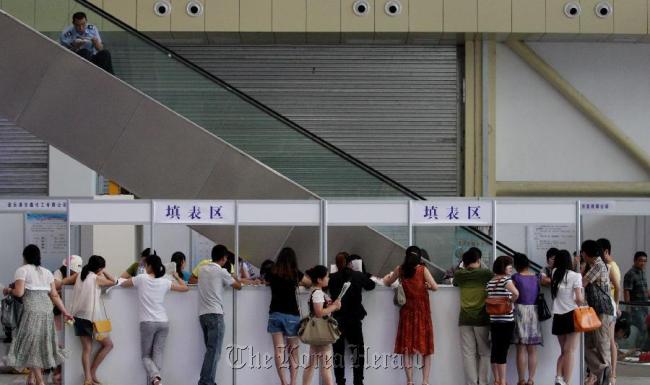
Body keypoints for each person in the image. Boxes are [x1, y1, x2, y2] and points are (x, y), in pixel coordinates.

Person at [3, 245, 73, 385]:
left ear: (24, 256)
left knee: (32, 344)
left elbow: (19, 293)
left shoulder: (22, 270)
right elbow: (54, 295)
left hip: (32, 311)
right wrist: (65, 312)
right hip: (47, 310)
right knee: (41, 343)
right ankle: (31, 378)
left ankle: (40, 381)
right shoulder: (47, 272)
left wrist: (6, 290)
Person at [120, 254, 189, 385]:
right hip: (164, 322)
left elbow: (123, 284)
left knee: (146, 356)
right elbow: (185, 288)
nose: (145, 267)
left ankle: (156, 377)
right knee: (158, 353)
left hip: (147, 322)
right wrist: (176, 276)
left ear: (149, 266)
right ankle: (156, 381)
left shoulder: (141, 278)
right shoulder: (165, 282)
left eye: (146, 265)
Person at [383, 246, 438, 385]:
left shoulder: (400, 269)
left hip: (407, 313)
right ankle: (425, 382)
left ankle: (409, 381)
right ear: (419, 257)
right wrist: (427, 286)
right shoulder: (422, 269)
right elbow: (435, 287)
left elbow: (387, 282)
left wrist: (386, 278)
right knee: (426, 349)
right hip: (423, 313)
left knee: (407, 349)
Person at [197, 245, 242, 385]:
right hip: (215, 315)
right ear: (224, 258)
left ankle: (208, 381)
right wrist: (233, 276)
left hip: (203, 315)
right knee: (213, 352)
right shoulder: (221, 272)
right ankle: (205, 382)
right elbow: (238, 286)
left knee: (210, 352)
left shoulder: (202, 269)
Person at [266, 247, 311, 385]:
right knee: (293, 353)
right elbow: (308, 283)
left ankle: (283, 382)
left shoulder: (272, 271)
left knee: (279, 351)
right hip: (292, 316)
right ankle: (292, 383)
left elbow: (265, 281)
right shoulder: (294, 273)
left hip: (275, 315)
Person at [329, 252, 376, 385]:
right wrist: (364, 275)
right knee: (358, 351)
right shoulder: (357, 275)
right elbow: (371, 286)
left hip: (337, 319)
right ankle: (358, 381)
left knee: (338, 352)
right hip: (354, 318)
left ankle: (340, 381)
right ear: (350, 263)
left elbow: (323, 286)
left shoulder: (332, 277)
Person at [70, 255, 117, 385]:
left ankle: (88, 378)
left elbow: (64, 282)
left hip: (79, 316)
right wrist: (104, 271)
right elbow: (114, 281)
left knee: (86, 349)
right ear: (99, 268)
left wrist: (100, 270)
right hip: (93, 318)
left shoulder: (79, 275)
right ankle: (92, 372)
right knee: (108, 345)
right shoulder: (96, 278)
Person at [453, 247, 494, 385]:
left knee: (468, 354)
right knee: (485, 353)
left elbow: (454, 282)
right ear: (478, 260)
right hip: (482, 318)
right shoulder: (485, 273)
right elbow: (495, 276)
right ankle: (483, 382)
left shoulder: (459, 275)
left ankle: (472, 382)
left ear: (464, 262)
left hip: (464, 318)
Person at [302, 265, 342, 385]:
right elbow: (319, 312)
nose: (328, 279)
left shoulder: (316, 292)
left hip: (317, 331)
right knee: (326, 366)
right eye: (327, 277)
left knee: (312, 364)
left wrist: (332, 306)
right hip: (322, 332)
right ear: (319, 279)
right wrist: (334, 307)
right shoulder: (318, 293)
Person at [581, 240, 614, 385]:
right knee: (586, 346)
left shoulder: (598, 266)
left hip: (601, 310)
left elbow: (582, 283)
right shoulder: (596, 265)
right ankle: (603, 370)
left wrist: (578, 267)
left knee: (602, 345)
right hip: (595, 311)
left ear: (585, 253)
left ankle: (606, 376)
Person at [550, 250, 584, 385]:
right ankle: (567, 382)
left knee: (564, 351)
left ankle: (559, 377)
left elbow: (565, 274)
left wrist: (576, 264)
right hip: (572, 315)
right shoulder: (576, 276)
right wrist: (584, 303)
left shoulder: (555, 273)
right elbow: (579, 299)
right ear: (570, 261)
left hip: (558, 316)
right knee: (570, 352)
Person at [486, 255, 519, 385]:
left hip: (494, 320)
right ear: (503, 267)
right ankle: (503, 381)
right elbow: (516, 293)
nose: (511, 268)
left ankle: (497, 380)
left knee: (495, 350)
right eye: (508, 265)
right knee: (502, 351)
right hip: (506, 320)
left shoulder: (490, 282)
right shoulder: (506, 280)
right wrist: (510, 301)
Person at [511, 253, 542, 385]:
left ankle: (521, 380)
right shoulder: (537, 277)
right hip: (534, 312)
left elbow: (511, 293)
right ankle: (531, 380)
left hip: (520, 312)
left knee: (521, 348)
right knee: (533, 349)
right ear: (528, 264)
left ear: (515, 265)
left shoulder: (515, 277)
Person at [597, 238, 621, 385]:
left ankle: (612, 375)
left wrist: (617, 306)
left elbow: (617, 287)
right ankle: (605, 374)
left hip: (609, 308)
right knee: (605, 341)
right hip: (606, 308)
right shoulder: (605, 266)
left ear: (606, 251)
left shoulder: (611, 266)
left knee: (610, 341)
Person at [623, 252, 649, 342]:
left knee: (645, 329)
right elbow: (626, 291)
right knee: (643, 329)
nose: (643, 263)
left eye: (645, 261)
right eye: (640, 260)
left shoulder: (642, 273)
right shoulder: (630, 274)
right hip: (636, 308)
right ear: (635, 261)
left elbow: (644, 289)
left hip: (645, 307)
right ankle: (641, 349)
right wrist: (628, 308)